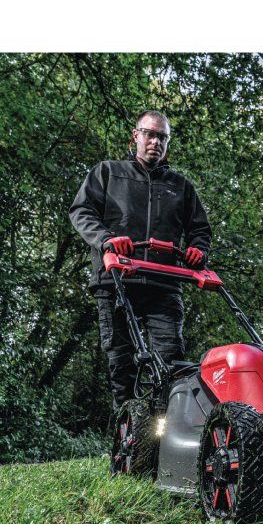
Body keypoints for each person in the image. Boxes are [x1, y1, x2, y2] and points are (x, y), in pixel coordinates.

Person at [69, 110, 212, 410]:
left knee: (171, 361)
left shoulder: (180, 186)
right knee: (122, 363)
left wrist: (198, 250)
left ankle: (164, 427)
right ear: (136, 135)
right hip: (116, 281)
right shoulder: (108, 172)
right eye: (150, 134)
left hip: (164, 284)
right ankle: (127, 429)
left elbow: (200, 229)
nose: (155, 142)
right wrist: (107, 239)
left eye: (162, 137)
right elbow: (81, 211)